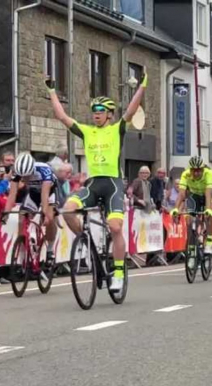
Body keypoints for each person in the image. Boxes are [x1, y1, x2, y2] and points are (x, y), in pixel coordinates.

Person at [49, 72, 146, 292]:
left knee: (114, 227)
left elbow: (130, 111)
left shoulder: (116, 129)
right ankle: (87, 243)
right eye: (94, 111)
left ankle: (119, 272)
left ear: (110, 115)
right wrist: (52, 91)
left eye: (101, 111)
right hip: (93, 184)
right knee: (67, 210)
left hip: (112, 184)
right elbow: (62, 116)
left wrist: (142, 86)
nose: (96, 115)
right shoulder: (87, 131)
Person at [3, 153, 58, 270]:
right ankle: (22, 253)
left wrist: (45, 212)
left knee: (49, 218)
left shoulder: (44, 170)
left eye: (27, 176)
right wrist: (6, 213)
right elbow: (12, 194)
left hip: (50, 193)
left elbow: (45, 194)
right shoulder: (17, 172)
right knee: (21, 217)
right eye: (23, 177)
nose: (25, 179)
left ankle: (50, 251)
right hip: (33, 194)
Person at [170, 156, 212, 261]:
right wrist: (176, 209)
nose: (196, 173)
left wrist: (208, 209)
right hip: (194, 196)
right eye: (193, 170)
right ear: (190, 169)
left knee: (211, 212)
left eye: (198, 170)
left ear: (202, 169)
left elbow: (208, 193)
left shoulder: (208, 173)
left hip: (208, 196)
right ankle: (192, 247)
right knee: (189, 220)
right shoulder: (185, 174)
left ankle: (209, 240)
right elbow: (181, 194)